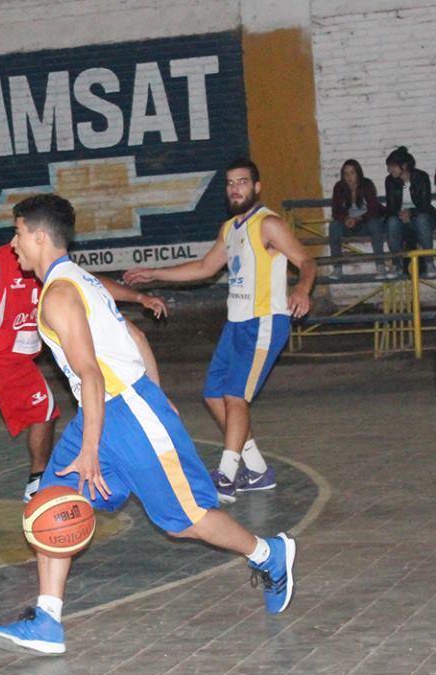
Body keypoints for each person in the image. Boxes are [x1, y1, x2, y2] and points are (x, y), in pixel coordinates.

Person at [0, 193, 296, 656]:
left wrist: (100, 441)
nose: (14, 244)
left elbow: (90, 373)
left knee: (185, 521)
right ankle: (47, 620)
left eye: (18, 233)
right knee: (51, 500)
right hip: (109, 411)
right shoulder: (80, 279)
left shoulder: (60, 294)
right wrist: (154, 392)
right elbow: (135, 334)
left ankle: (269, 554)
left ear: (40, 237)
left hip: (124, 413)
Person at [0, 244, 168, 527]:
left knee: (44, 413)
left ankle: (36, 481)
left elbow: (90, 283)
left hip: (18, 362)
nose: (18, 241)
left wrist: (139, 297)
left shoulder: (49, 267)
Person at [124, 158, 315, 503]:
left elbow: (306, 260)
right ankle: (256, 470)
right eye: (230, 183)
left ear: (257, 187)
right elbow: (204, 267)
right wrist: (155, 274)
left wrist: (301, 289)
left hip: (264, 321)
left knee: (235, 396)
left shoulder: (268, 224)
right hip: (236, 323)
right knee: (214, 394)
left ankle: (226, 475)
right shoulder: (230, 229)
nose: (235, 188)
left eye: (242, 182)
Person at [328, 159, 392, 279]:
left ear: (358, 173)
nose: (349, 177)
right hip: (348, 224)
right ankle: (337, 268)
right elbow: (335, 211)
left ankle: (380, 266)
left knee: (375, 224)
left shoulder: (367, 185)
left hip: (365, 223)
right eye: (346, 173)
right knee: (334, 226)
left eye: (352, 173)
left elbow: (373, 210)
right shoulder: (339, 187)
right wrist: (345, 219)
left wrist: (358, 219)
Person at [383, 146, 436, 278]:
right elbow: (391, 207)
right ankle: (397, 264)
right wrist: (401, 214)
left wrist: (411, 213)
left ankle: (429, 263)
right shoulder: (390, 181)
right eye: (389, 167)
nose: (390, 170)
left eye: (393, 166)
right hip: (400, 218)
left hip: (420, 216)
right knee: (392, 222)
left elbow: (425, 205)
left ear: (404, 165)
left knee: (422, 219)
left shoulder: (421, 177)